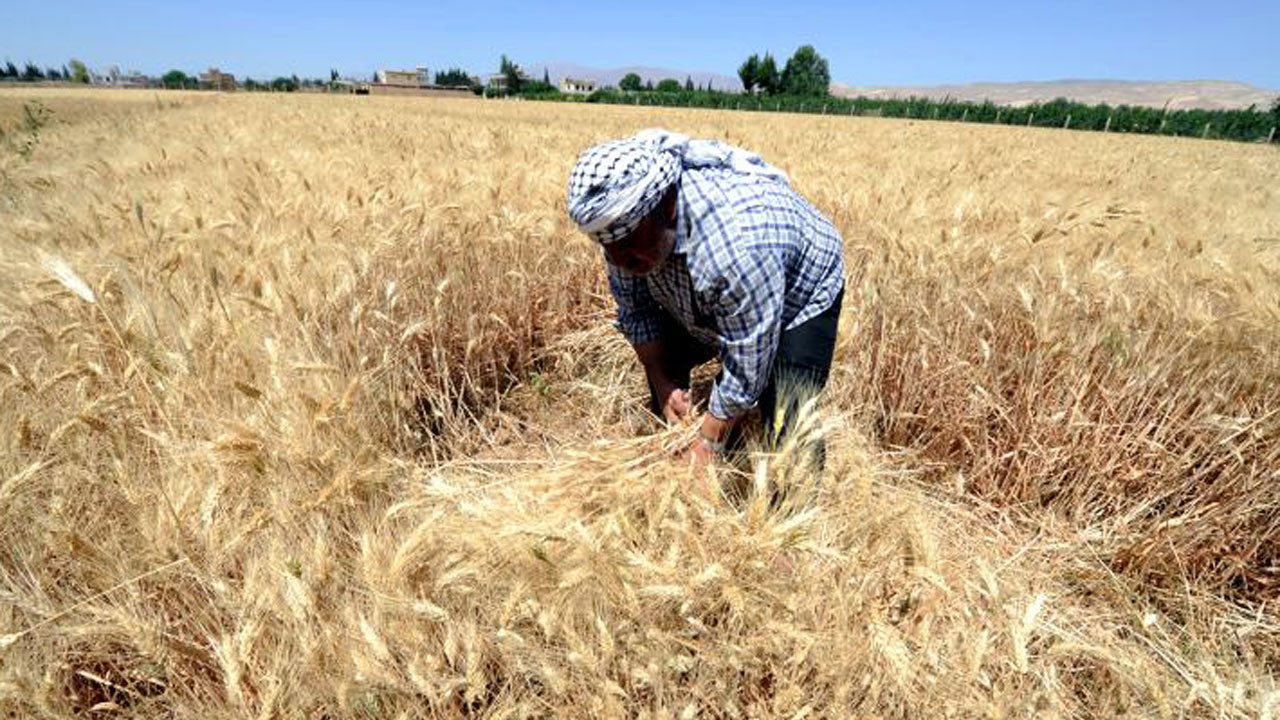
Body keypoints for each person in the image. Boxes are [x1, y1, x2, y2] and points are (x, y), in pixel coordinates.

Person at [566, 128, 844, 486]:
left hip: (802, 291)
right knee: (666, 362)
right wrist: (664, 387)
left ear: (668, 206)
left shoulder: (736, 245)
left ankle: (795, 504)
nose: (619, 260)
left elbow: (748, 359)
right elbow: (637, 313)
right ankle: (681, 450)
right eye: (609, 247)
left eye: (629, 243)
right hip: (722, 288)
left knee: (787, 409)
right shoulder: (626, 235)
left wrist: (708, 443)